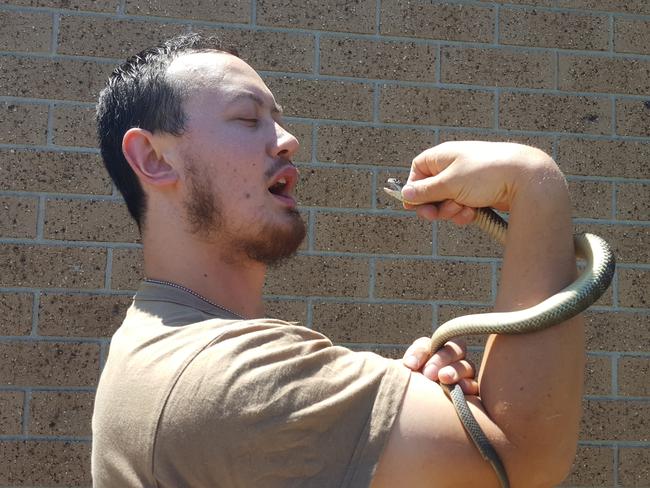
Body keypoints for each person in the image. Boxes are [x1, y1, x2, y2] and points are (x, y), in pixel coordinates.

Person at [92, 33, 584, 488]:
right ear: (154, 159)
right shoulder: (227, 378)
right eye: (247, 118)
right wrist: (534, 185)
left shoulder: (158, 342)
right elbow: (525, 457)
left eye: (277, 118)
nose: (287, 139)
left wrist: (397, 415)